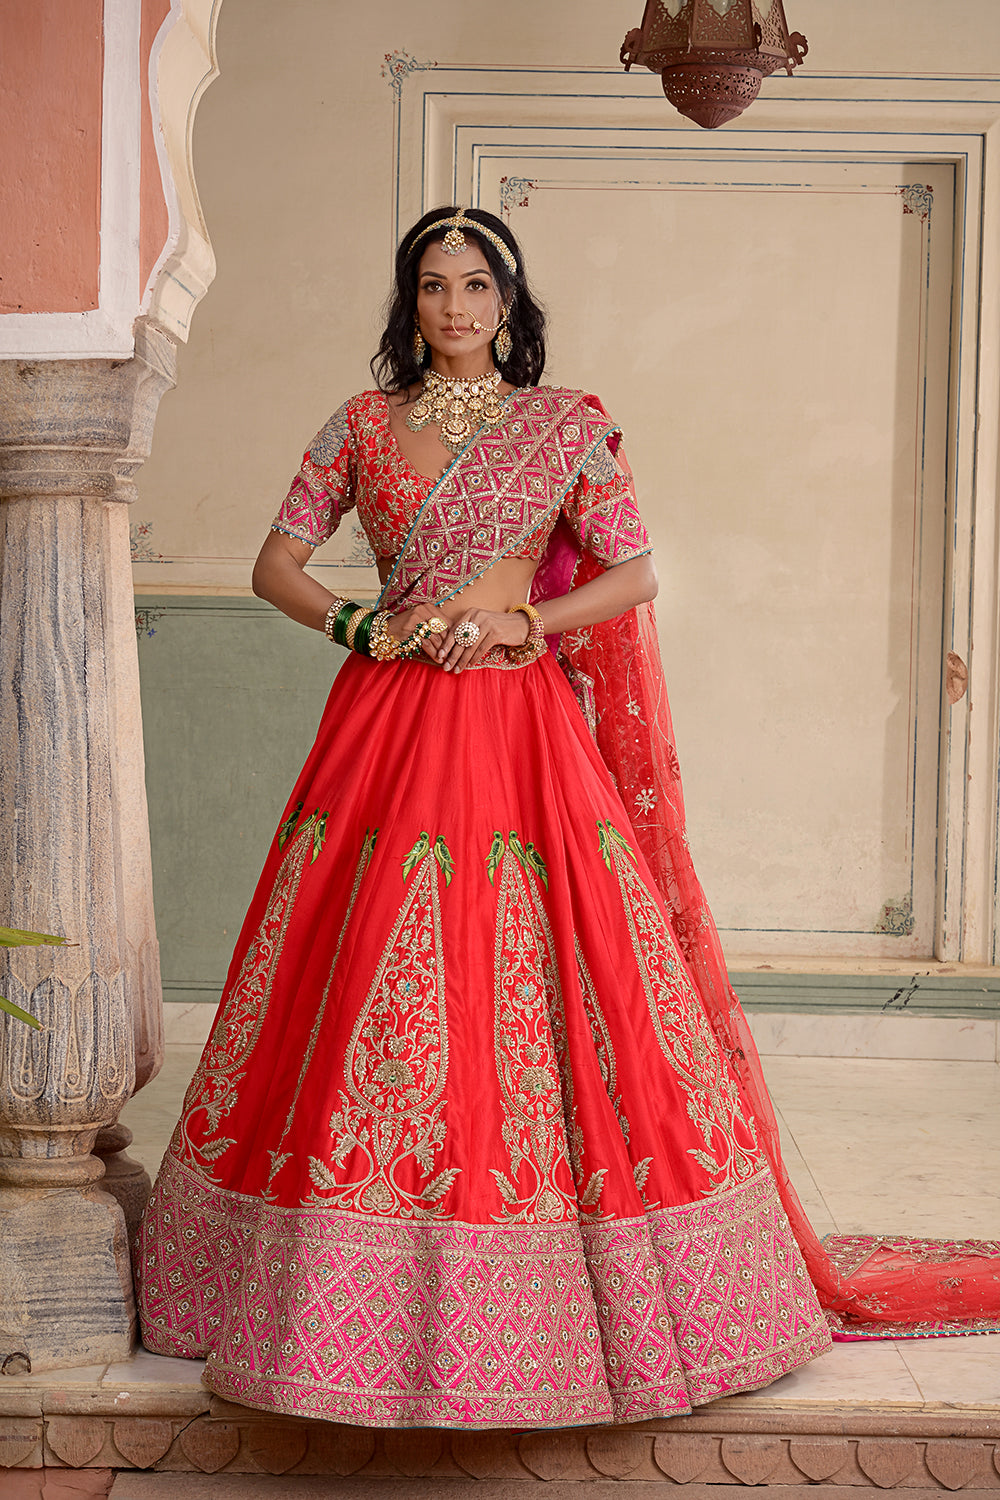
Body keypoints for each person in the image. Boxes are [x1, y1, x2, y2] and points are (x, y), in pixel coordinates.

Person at [137, 207, 999, 1429]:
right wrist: (363, 626)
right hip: (385, 724)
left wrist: (524, 623)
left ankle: (573, 1280)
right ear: (410, 301)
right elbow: (275, 561)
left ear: (508, 300)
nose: (453, 307)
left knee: (546, 971)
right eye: (432, 286)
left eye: (475, 285)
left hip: (521, 723)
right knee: (365, 968)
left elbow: (635, 571)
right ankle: (327, 1280)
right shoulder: (360, 425)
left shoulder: (564, 424)